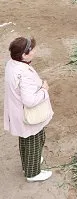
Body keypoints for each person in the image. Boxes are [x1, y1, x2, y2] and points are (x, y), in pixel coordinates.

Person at [4, 37, 53, 182]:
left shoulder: (11, 64)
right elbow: (30, 101)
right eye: (31, 49)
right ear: (24, 55)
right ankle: (33, 173)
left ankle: (29, 163)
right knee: (35, 139)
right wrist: (44, 90)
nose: (34, 51)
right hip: (27, 114)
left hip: (18, 112)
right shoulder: (23, 74)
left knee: (25, 139)